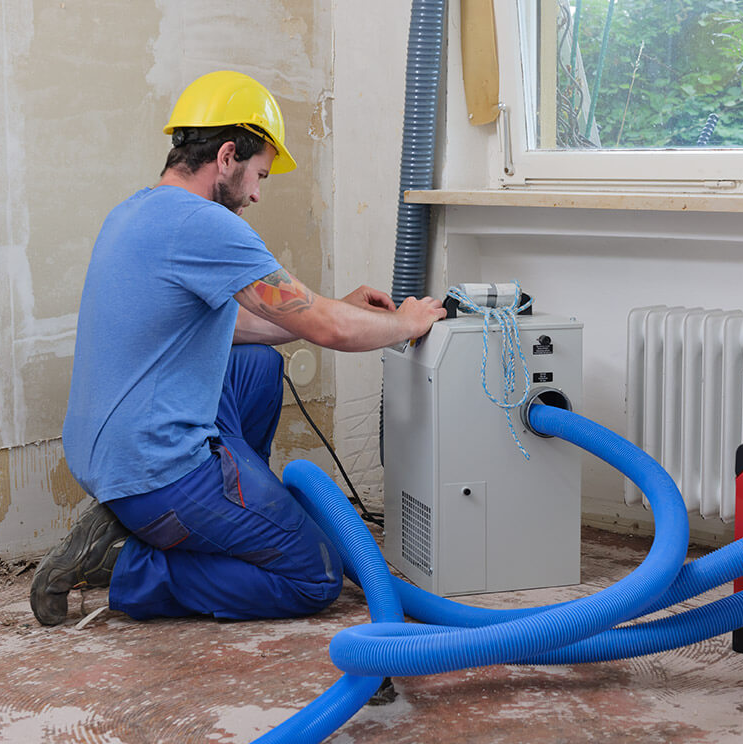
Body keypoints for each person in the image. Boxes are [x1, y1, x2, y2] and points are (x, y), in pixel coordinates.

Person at [30, 71, 445, 626]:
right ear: (227, 155)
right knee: (314, 574)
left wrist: (335, 304)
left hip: (105, 454)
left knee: (255, 367)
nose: (255, 194)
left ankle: (220, 520)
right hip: (156, 472)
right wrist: (409, 322)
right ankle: (129, 566)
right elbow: (332, 331)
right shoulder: (206, 225)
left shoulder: (135, 210)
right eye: (258, 176)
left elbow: (241, 326)